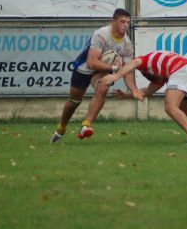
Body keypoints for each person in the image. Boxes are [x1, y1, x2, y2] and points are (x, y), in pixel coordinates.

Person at [100, 51, 187, 144]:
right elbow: (146, 92)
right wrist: (126, 95)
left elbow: (133, 64)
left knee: (170, 107)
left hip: (182, 70)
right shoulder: (157, 75)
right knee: (186, 109)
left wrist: (115, 76)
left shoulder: (141, 60)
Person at [50, 8, 136, 143]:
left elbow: (128, 70)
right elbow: (91, 63)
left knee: (103, 88)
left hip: (101, 71)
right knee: (74, 101)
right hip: (84, 68)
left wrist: (134, 90)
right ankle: (61, 129)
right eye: (122, 22)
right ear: (113, 22)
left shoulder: (127, 44)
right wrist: (114, 68)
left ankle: (86, 125)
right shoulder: (101, 34)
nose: (126, 25)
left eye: (128, 22)